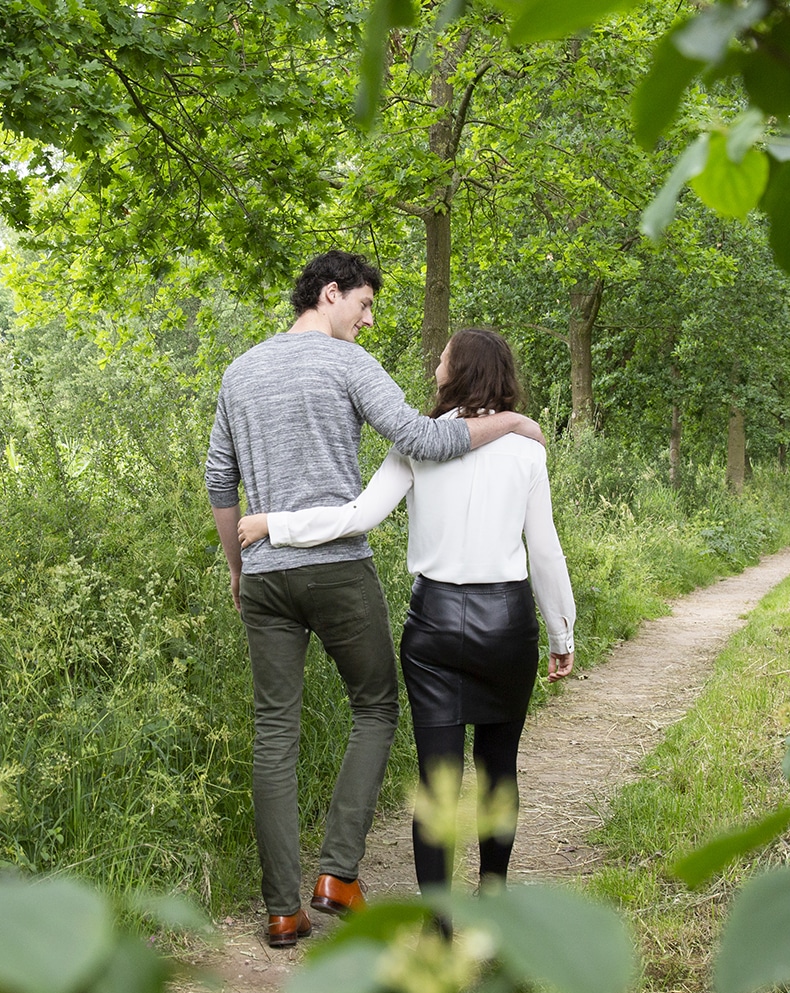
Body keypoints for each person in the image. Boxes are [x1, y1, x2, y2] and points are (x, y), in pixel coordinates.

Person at [205, 252, 544, 948]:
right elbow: (423, 437)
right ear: (329, 293)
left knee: (275, 729)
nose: (367, 320)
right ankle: (338, 874)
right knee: (377, 705)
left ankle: (282, 910)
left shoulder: (239, 372)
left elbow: (220, 480)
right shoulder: (347, 364)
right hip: (335, 569)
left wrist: (239, 565)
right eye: (362, 305)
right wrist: (507, 423)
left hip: (266, 571)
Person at [238, 327, 575, 901]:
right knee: (499, 773)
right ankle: (494, 909)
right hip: (507, 624)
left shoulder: (418, 444)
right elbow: (544, 550)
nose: (435, 364)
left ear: (460, 371)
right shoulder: (526, 450)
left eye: (443, 357)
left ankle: (438, 929)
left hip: (435, 626)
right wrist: (560, 631)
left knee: (436, 784)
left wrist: (277, 525)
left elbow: (357, 515)